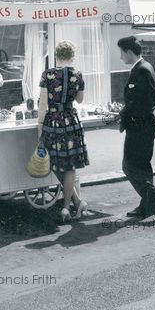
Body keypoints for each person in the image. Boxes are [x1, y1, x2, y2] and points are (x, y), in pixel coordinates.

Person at [37, 41, 89, 222]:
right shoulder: (78, 75)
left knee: (53, 161)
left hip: (53, 122)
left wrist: (39, 125)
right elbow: (80, 100)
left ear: (56, 55)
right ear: (72, 56)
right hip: (71, 122)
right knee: (70, 165)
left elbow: (43, 104)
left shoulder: (47, 74)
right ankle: (69, 206)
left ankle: (71, 205)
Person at [117, 36, 155, 222]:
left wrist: (122, 113)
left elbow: (145, 102)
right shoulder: (143, 67)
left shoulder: (142, 70)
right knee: (142, 168)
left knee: (129, 166)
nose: (121, 57)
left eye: (121, 53)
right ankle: (146, 206)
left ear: (129, 52)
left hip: (141, 127)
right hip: (143, 126)